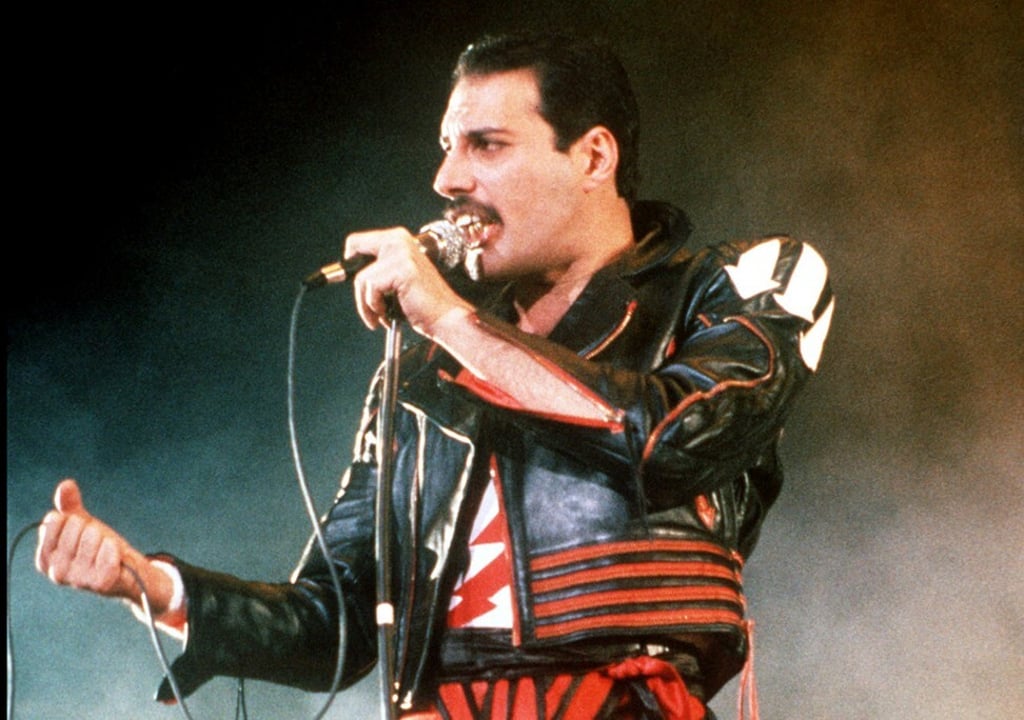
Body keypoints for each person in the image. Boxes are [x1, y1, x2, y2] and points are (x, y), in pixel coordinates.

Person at [35, 32, 835, 720]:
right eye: (447, 147)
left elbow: (677, 438)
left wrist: (452, 319)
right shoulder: (422, 372)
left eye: (485, 145)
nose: (447, 180)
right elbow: (334, 625)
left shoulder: (750, 279)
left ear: (593, 155)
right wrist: (152, 585)